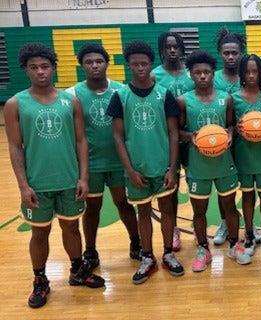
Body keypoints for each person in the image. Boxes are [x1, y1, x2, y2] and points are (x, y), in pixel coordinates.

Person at [5, 43, 105, 308]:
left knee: (71, 227)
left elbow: (81, 141)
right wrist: (23, 185)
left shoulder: (69, 100)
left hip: (69, 180)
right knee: (40, 233)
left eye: (45, 66)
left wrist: (84, 177)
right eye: (34, 67)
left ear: (53, 68)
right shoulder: (15, 104)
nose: (40, 72)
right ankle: (40, 280)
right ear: (26, 70)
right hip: (37, 183)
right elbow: (15, 146)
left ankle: (77, 271)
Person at [107, 40, 184, 284]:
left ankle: (168, 254)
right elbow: (117, 136)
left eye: (144, 63)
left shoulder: (164, 94)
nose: (140, 67)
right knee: (143, 211)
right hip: (137, 168)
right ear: (128, 65)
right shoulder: (120, 95)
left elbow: (173, 132)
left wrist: (172, 167)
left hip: (162, 165)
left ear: (151, 64)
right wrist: (129, 170)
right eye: (135, 64)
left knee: (167, 209)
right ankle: (147, 256)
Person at [66, 43, 141, 271]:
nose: (95, 65)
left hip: (119, 161)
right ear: (82, 66)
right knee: (92, 208)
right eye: (89, 62)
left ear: (107, 63)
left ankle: (136, 242)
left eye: (99, 61)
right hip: (91, 163)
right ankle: (90, 249)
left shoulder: (121, 90)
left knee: (124, 203)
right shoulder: (72, 94)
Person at [178, 50, 251, 271]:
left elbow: (231, 124)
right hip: (198, 164)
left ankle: (234, 245)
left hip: (223, 162)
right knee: (199, 210)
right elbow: (177, 130)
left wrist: (230, 134)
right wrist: (191, 136)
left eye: (207, 72)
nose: (202, 76)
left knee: (230, 206)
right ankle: (203, 249)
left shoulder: (225, 98)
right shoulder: (184, 100)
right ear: (191, 75)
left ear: (213, 74)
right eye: (197, 72)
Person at [211, 28, 260, 245]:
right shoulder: (214, 79)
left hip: (249, 142)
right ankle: (225, 222)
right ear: (220, 54)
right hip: (220, 140)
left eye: (235, 52)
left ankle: (253, 226)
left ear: (241, 52)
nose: (231, 57)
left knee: (254, 186)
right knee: (226, 190)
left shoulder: (250, 74)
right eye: (226, 53)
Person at [152, 31, 194, 252]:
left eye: (175, 46)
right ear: (161, 50)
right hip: (168, 141)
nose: (172, 50)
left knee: (199, 185)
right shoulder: (153, 76)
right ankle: (174, 228)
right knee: (172, 188)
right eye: (167, 47)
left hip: (196, 139)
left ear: (182, 49)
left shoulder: (192, 74)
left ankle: (199, 223)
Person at [233, 54, 261, 256]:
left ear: (260, 73)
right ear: (242, 73)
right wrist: (238, 128)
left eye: (255, 71)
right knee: (247, 195)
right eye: (247, 72)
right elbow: (229, 128)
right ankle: (250, 233)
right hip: (243, 154)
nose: (251, 75)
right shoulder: (233, 99)